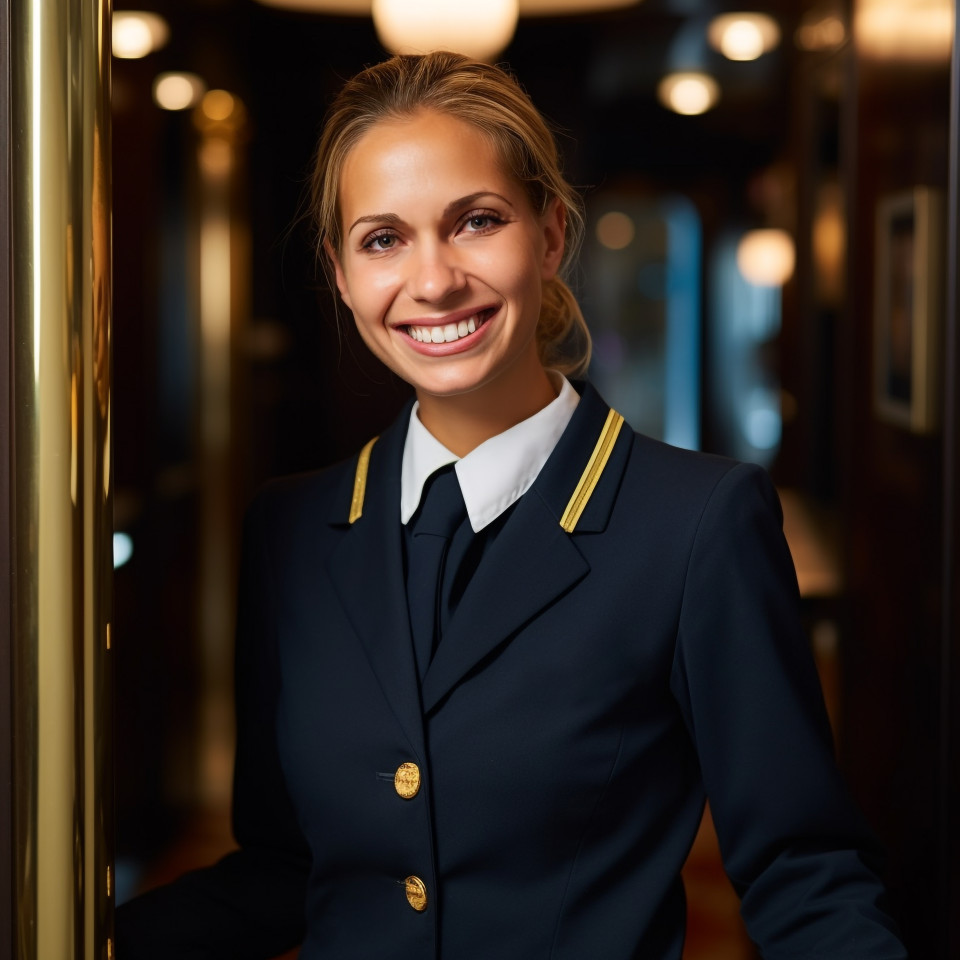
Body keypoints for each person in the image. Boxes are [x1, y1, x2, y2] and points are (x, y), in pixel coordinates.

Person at [117, 51, 907, 959]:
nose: (435, 280)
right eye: (383, 239)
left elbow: (802, 874)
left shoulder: (698, 525)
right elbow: (286, 869)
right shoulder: (289, 531)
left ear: (551, 232)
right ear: (339, 273)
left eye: (477, 222)